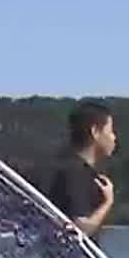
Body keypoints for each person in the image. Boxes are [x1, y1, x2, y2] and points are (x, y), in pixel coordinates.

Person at [43, 100, 118, 240]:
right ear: (95, 132)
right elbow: (79, 229)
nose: (114, 137)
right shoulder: (74, 173)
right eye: (110, 131)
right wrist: (107, 202)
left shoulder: (75, 168)